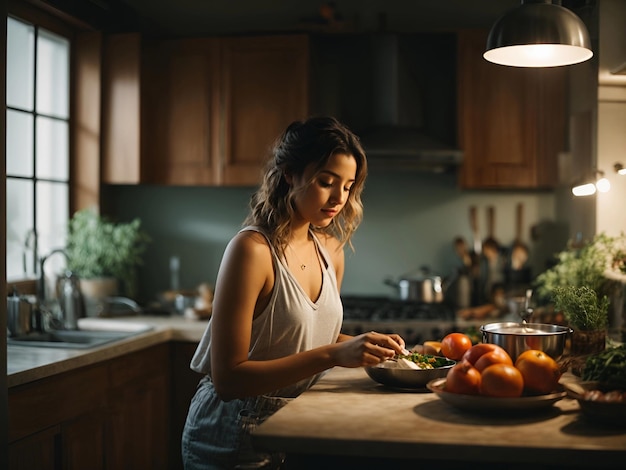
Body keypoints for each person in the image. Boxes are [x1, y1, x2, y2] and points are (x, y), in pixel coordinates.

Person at [181, 116, 407, 469]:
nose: (339, 198)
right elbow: (228, 379)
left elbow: (305, 338)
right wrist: (335, 354)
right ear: (289, 174)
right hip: (232, 431)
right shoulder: (252, 250)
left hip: (298, 422)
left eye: (347, 186)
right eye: (326, 182)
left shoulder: (330, 250)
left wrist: (368, 347)